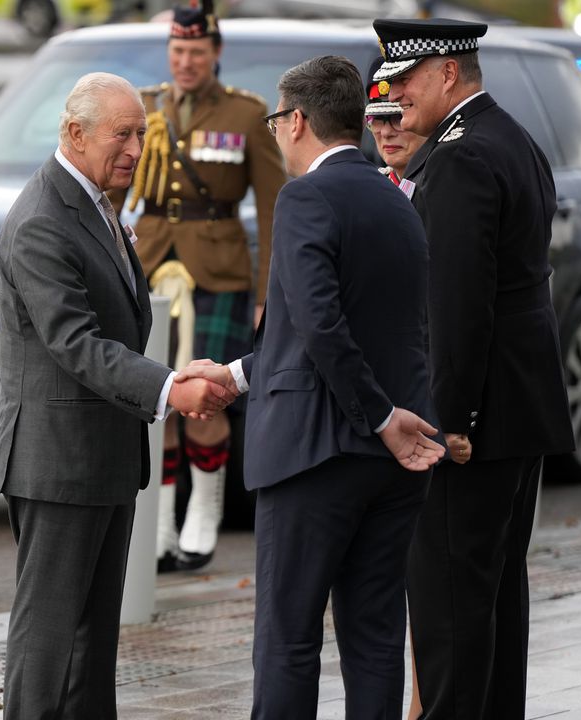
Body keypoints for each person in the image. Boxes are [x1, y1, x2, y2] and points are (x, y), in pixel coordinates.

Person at [180, 55, 444, 719]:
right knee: (375, 635)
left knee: (288, 638)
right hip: (395, 460)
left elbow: (322, 327)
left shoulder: (303, 197)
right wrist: (236, 375)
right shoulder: (397, 199)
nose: (275, 133)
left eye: (276, 120)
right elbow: (328, 334)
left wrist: (378, 416)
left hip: (316, 455)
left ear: (297, 121)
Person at [0, 72, 235, 718]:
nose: (136, 150)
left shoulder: (98, 203)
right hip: (57, 461)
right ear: (75, 133)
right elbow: (75, 342)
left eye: (141, 135)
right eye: (122, 135)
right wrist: (170, 388)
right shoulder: (42, 219)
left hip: (101, 456)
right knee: (48, 641)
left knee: (92, 645)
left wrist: (169, 380)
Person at [374, 17, 576, 719]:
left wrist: (450, 419)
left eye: (406, 80)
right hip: (520, 407)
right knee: (494, 599)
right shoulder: (510, 137)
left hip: (477, 420)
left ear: (448, 74)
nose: (396, 96)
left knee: (452, 609)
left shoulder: (460, 157)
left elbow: (458, 305)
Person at [122, 0, 287, 572]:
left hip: (219, 272)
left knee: (209, 393)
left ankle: (204, 511)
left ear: (215, 52)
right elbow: (115, 193)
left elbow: (274, 209)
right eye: (177, 50)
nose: (185, 61)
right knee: (159, 395)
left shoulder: (246, 113)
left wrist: (267, 294)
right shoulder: (147, 107)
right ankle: (162, 524)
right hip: (150, 267)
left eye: (195, 51)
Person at [364, 57, 425, 189]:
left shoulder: (446, 182)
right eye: (377, 119)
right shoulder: (370, 189)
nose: (386, 133)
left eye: (398, 118)